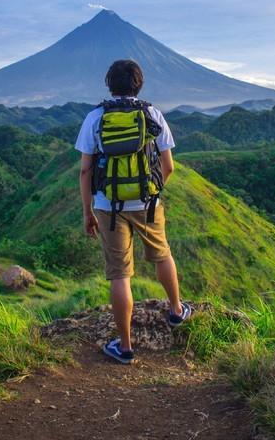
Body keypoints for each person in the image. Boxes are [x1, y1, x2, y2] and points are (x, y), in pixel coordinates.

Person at [75, 59, 191, 364]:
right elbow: (168, 166)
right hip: (148, 203)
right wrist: (151, 191)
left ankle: (125, 348)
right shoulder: (152, 113)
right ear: (139, 84)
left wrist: (88, 212)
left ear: (109, 84)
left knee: (120, 274)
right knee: (162, 254)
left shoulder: (95, 117)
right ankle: (177, 311)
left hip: (107, 205)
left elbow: (86, 171)